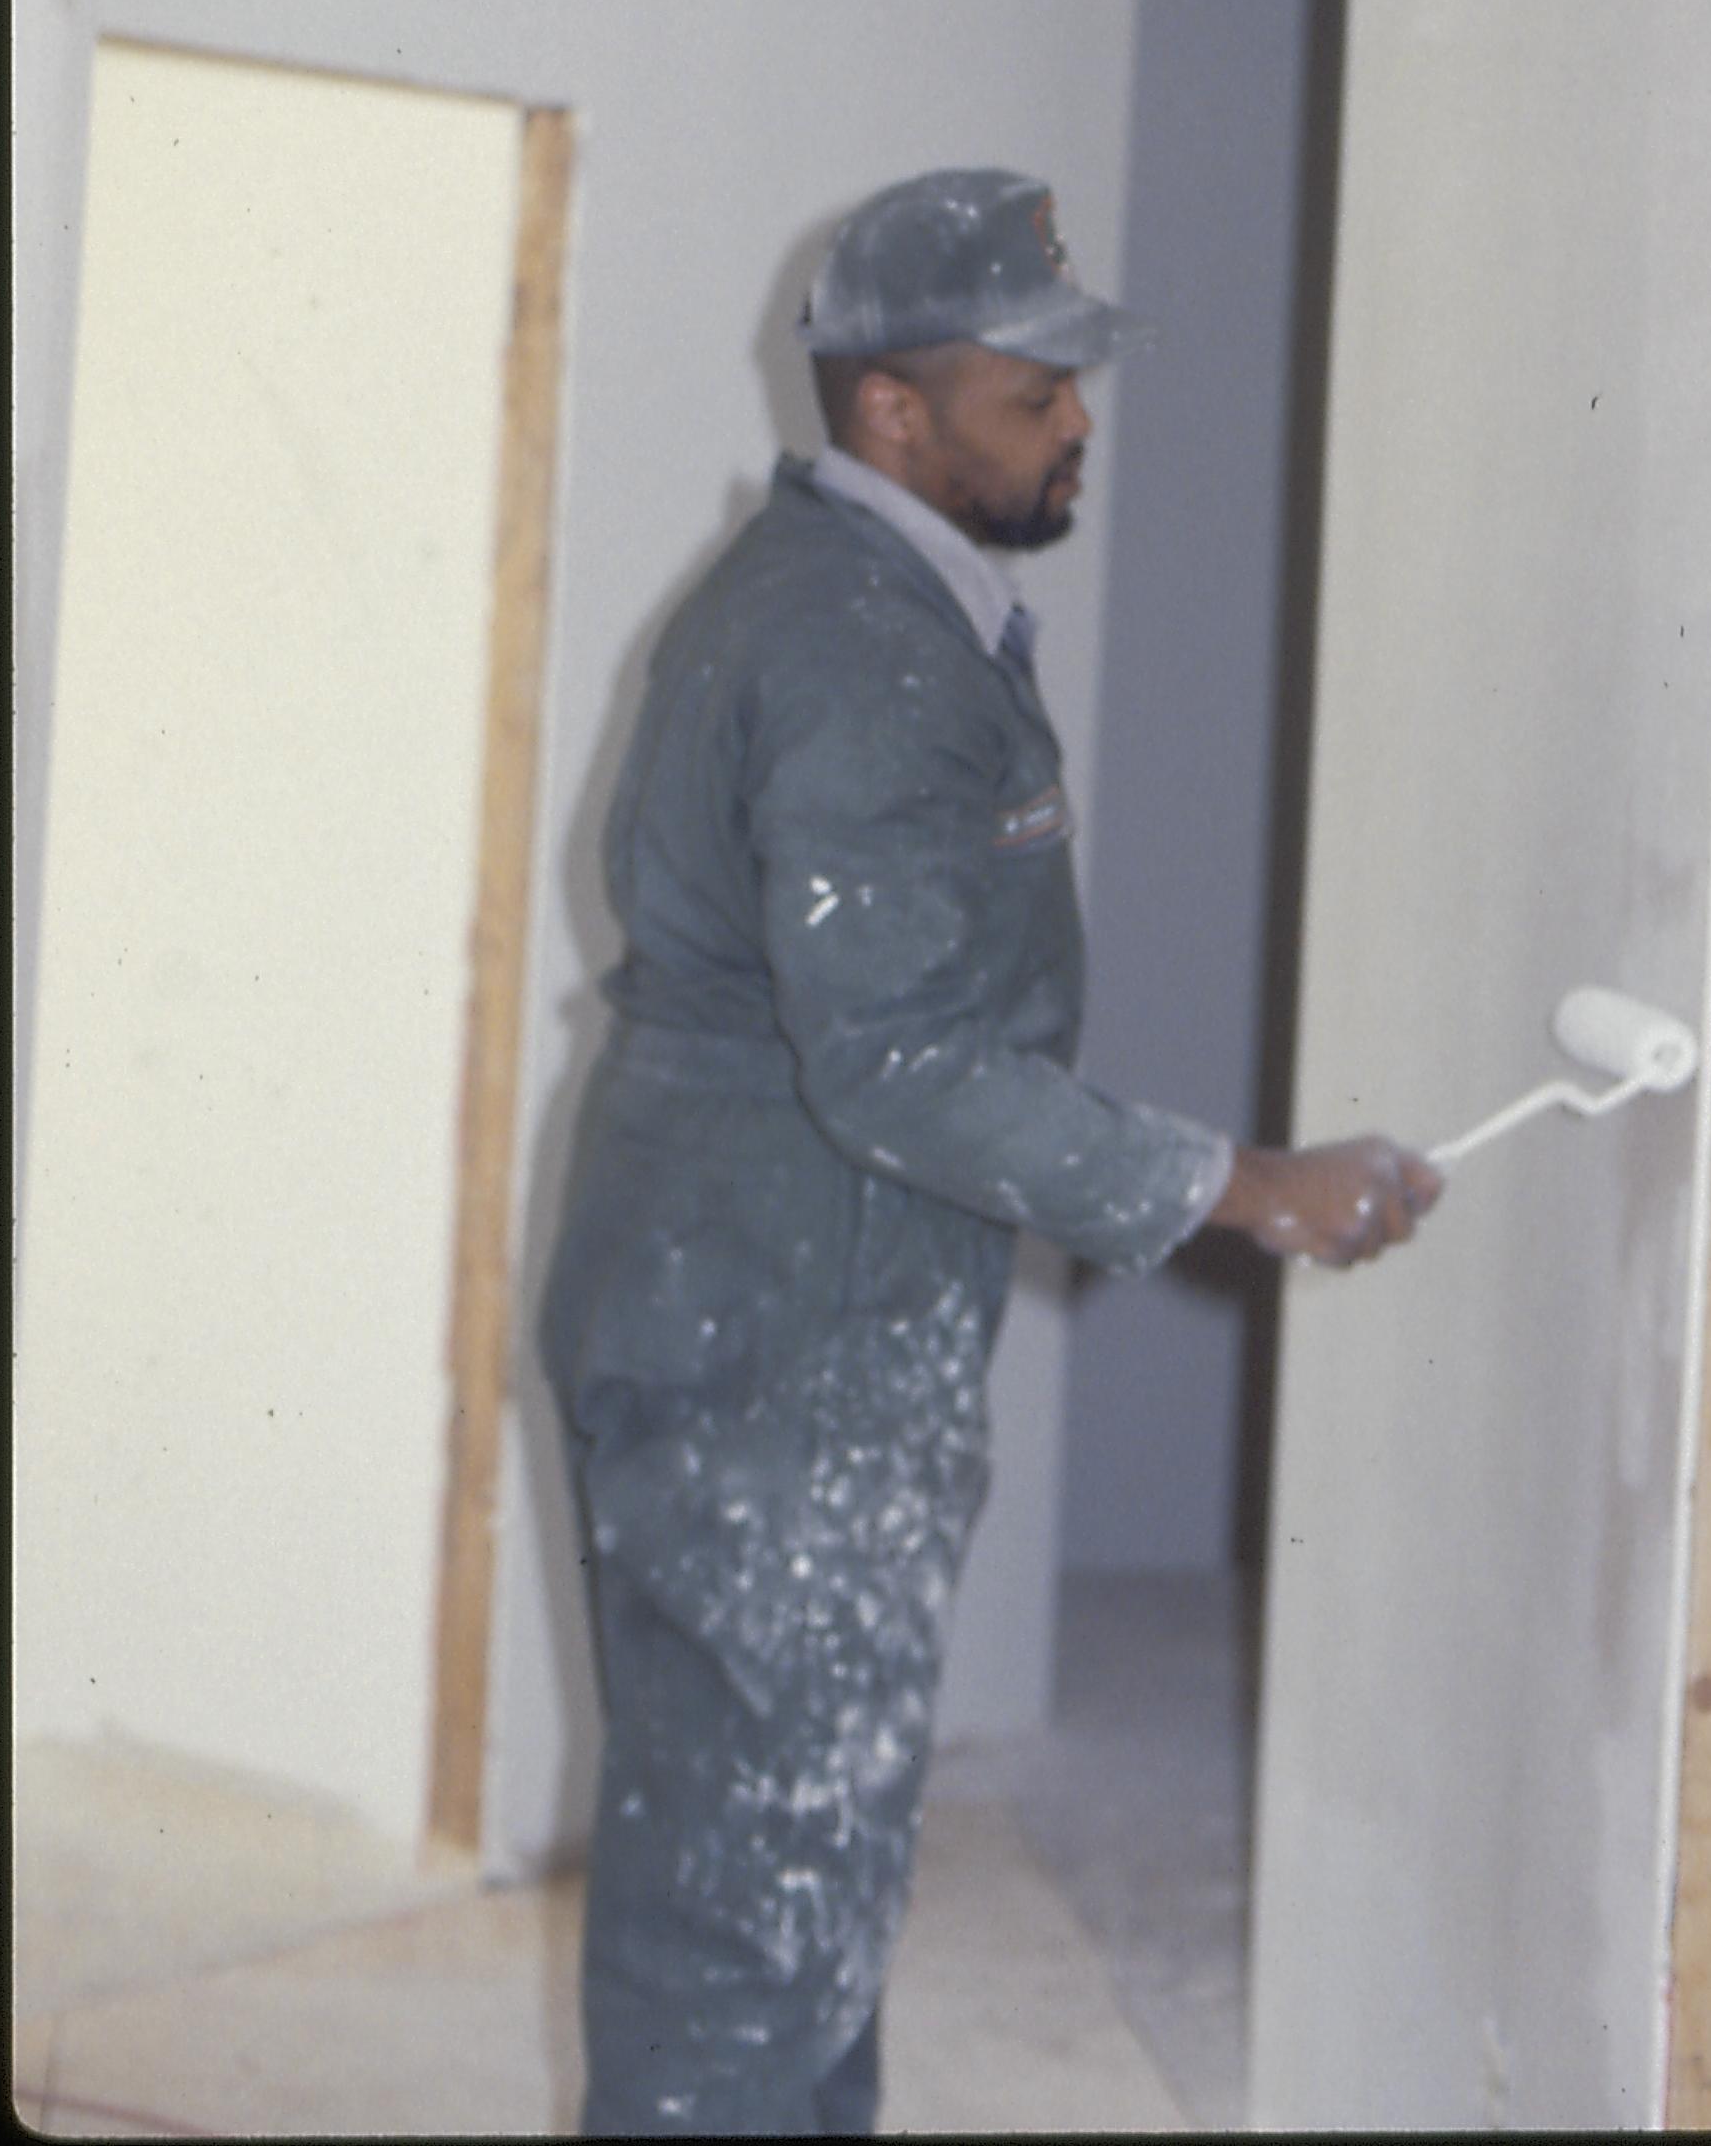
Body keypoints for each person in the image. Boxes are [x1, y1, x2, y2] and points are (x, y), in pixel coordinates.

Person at [539, 167, 1442, 2137]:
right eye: (1032, 393)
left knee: (780, 1855)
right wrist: (1243, 1187)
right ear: (892, 413)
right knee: (762, 1896)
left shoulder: (865, 599)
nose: (1077, 422)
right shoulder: (858, 655)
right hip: (782, 1335)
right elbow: (906, 1073)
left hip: (760, 1296)